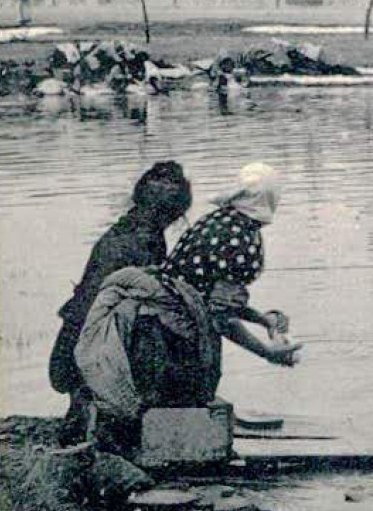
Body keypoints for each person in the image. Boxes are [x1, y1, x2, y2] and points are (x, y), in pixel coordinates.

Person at [74, 162, 300, 458]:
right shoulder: (245, 240)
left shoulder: (216, 220)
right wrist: (267, 353)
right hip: (170, 339)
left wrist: (262, 319)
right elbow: (218, 317)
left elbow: (202, 290)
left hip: (151, 331)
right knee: (192, 400)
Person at [49, 161, 194, 443]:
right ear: (174, 214)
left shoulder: (120, 231)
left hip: (69, 348)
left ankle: (85, 409)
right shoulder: (145, 242)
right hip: (87, 351)